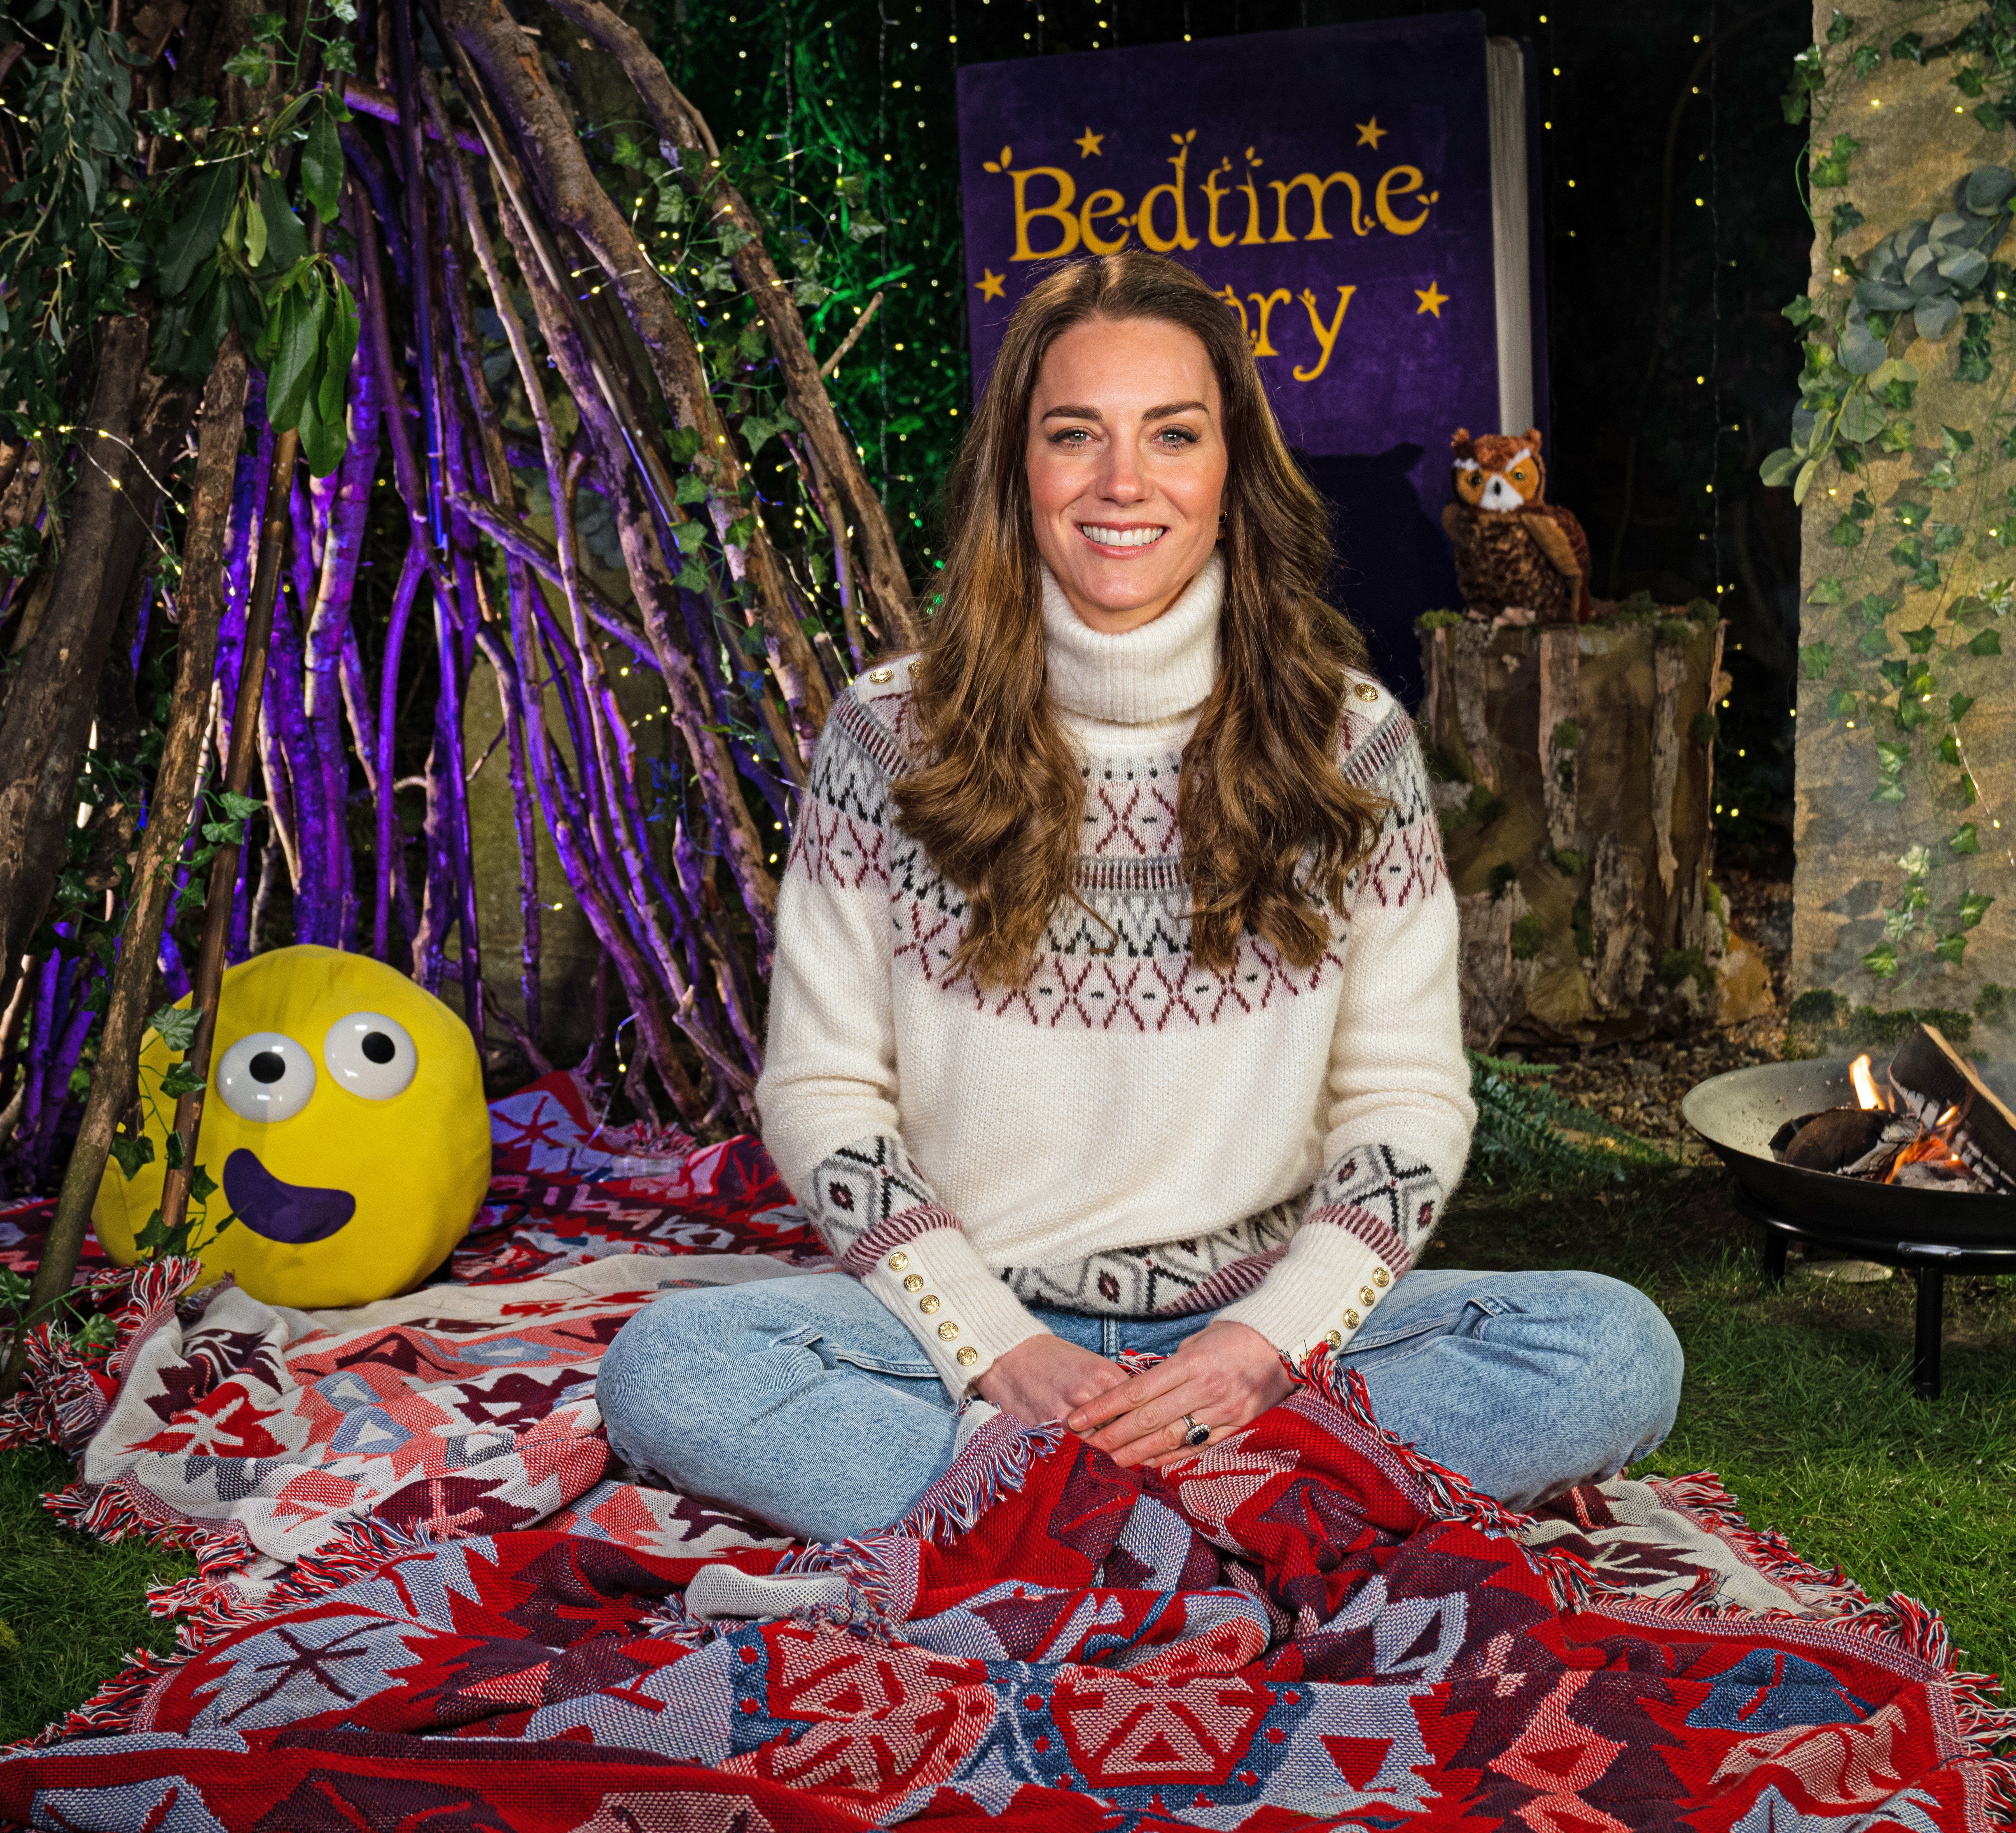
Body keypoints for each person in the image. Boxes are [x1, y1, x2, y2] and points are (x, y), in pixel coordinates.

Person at [597, 252, 1681, 1542]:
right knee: (666, 1368)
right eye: (1075, 436)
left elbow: (1403, 1098)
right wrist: (997, 1349)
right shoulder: (892, 736)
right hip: (974, 1324)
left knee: (1615, 1352)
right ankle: (1249, 1521)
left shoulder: (1350, 741)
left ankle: (1048, 1527)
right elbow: (823, 1091)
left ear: (1230, 475)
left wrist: (1256, 1351)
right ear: (1019, 471)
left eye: (1173, 434)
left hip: (1256, 1325)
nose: (1124, 482)